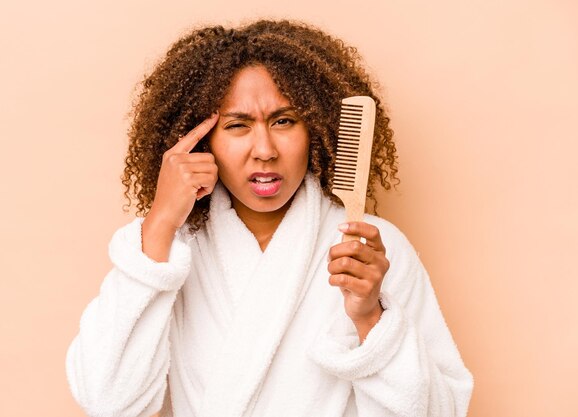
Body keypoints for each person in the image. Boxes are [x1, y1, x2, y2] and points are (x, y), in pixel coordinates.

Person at [65, 19, 473, 417]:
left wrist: (371, 318)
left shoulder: (371, 249)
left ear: (315, 127)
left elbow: (440, 412)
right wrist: (159, 224)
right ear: (201, 141)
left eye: (283, 121)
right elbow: (108, 402)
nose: (264, 149)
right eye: (237, 125)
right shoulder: (168, 250)